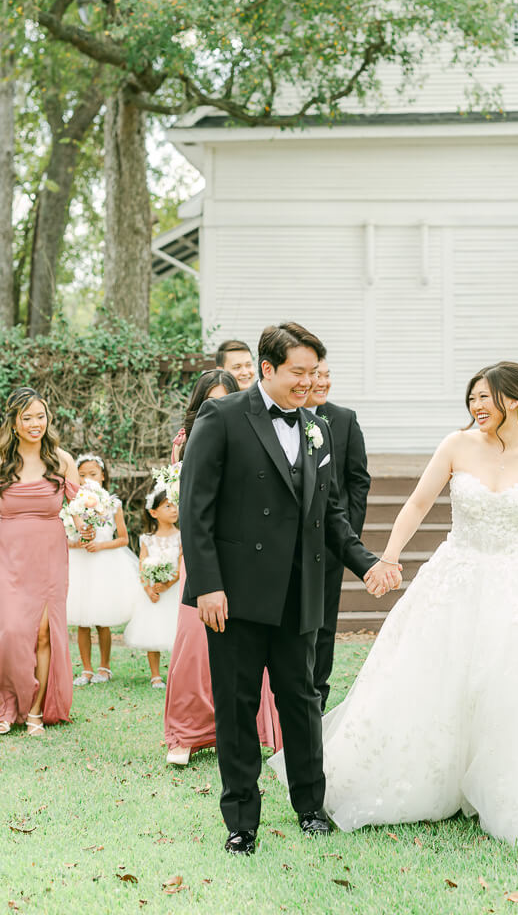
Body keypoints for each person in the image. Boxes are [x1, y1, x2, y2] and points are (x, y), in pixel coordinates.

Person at [271, 362, 518, 843]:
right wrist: (388, 555)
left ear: (512, 400)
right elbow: (416, 503)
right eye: (471, 398)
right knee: (432, 676)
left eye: (484, 397)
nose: (476, 407)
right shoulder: (455, 445)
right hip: (455, 576)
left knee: (513, 682)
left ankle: (508, 778)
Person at [180, 322, 389, 854]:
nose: (307, 383)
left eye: (314, 373)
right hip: (237, 597)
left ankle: (310, 807)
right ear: (267, 369)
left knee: (302, 702)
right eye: (298, 372)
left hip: (301, 595)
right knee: (237, 706)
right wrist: (207, 585)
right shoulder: (222, 417)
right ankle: (241, 821)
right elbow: (195, 508)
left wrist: (365, 563)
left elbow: (333, 513)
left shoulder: (319, 426)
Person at [164, 368, 282, 765]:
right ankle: (185, 732)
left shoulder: (250, 435)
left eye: (224, 398)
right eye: (208, 400)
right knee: (192, 645)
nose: (216, 406)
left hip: (240, 554)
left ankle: (251, 728)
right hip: (198, 552)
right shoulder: (184, 444)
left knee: (247, 643)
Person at [0, 387, 81, 735]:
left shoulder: (62, 460)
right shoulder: (2, 460)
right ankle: (8, 703)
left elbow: (81, 512)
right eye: (27, 417)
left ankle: (35, 710)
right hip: (7, 554)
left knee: (43, 634)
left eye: (41, 416)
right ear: (14, 422)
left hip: (49, 553)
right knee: (10, 632)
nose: (36, 423)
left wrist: (87, 528)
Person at [305, 356, 371, 710]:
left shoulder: (344, 420)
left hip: (331, 543)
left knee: (325, 624)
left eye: (327, 375)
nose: (322, 381)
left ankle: (317, 697)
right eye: (317, 374)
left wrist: (348, 536)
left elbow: (358, 481)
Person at [67, 453, 139, 686]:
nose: (88, 479)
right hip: (80, 564)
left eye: (93, 474)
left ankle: (104, 667)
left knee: (102, 618)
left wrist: (100, 545)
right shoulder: (73, 505)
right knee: (82, 619)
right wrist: (77, 543)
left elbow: (123, 539)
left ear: (103, 475)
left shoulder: (112, 503)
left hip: (104, 564)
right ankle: (86, 669)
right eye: (82, 475)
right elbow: (65, 537)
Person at [124, 486, 182, 688]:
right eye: (168, 506)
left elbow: (182, 564)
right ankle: (155, 675)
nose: (174, 509)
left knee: (176, 630)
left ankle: (178, 671)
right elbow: (142, 565)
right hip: (153, 593)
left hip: (173, 590)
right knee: (154, 630)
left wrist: (169, 583)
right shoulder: (147, 539)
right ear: (154, 512)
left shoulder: (181, 536)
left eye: (175, 505)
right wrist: (149, 589)